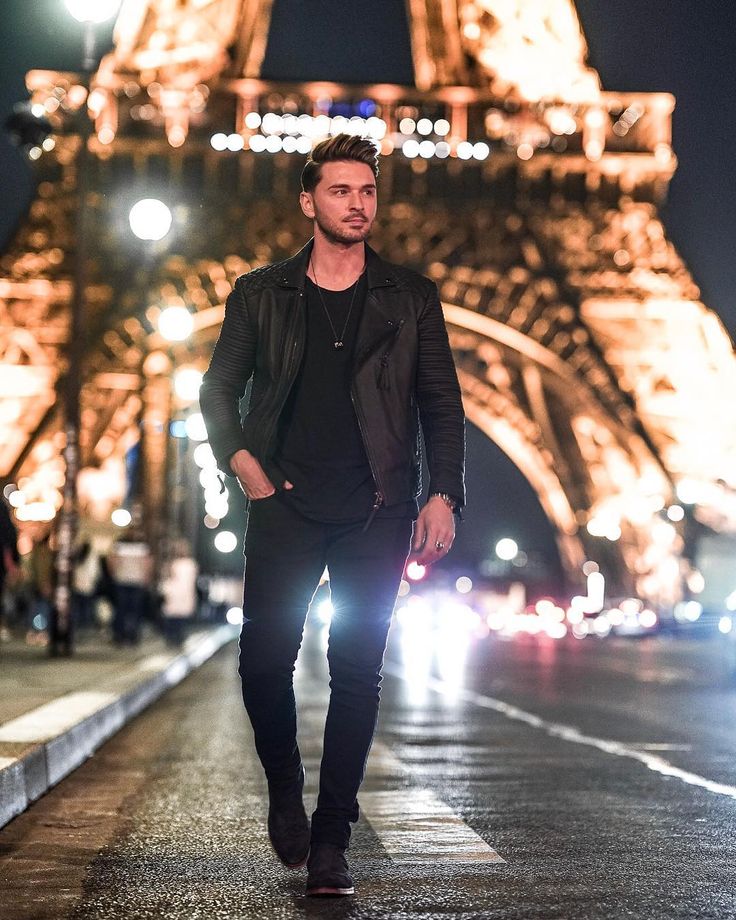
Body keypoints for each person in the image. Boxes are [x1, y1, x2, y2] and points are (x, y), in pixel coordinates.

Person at [200, 133, 465, 897]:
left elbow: (439, 402)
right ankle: (285, 784)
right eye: (342, 191)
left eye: (368, 192)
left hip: (376, 510)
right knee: (262, 664)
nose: (358, 205)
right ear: (309, 200)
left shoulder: (410, 296)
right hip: (284, 504)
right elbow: (219, 390)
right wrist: (244, 465)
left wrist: (442, 491)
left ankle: (331, 841)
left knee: (356, 675)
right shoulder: (260, 292)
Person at [107, 531, 152, 646]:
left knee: (121, 610)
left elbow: (112, 561)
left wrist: (114, 573)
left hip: (122, 580)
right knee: (133, 611)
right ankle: (131, 635)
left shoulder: (120, 545)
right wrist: (146, 577)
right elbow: (148, 563)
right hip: (135, 581)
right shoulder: (142, 546)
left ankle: (121, 635)